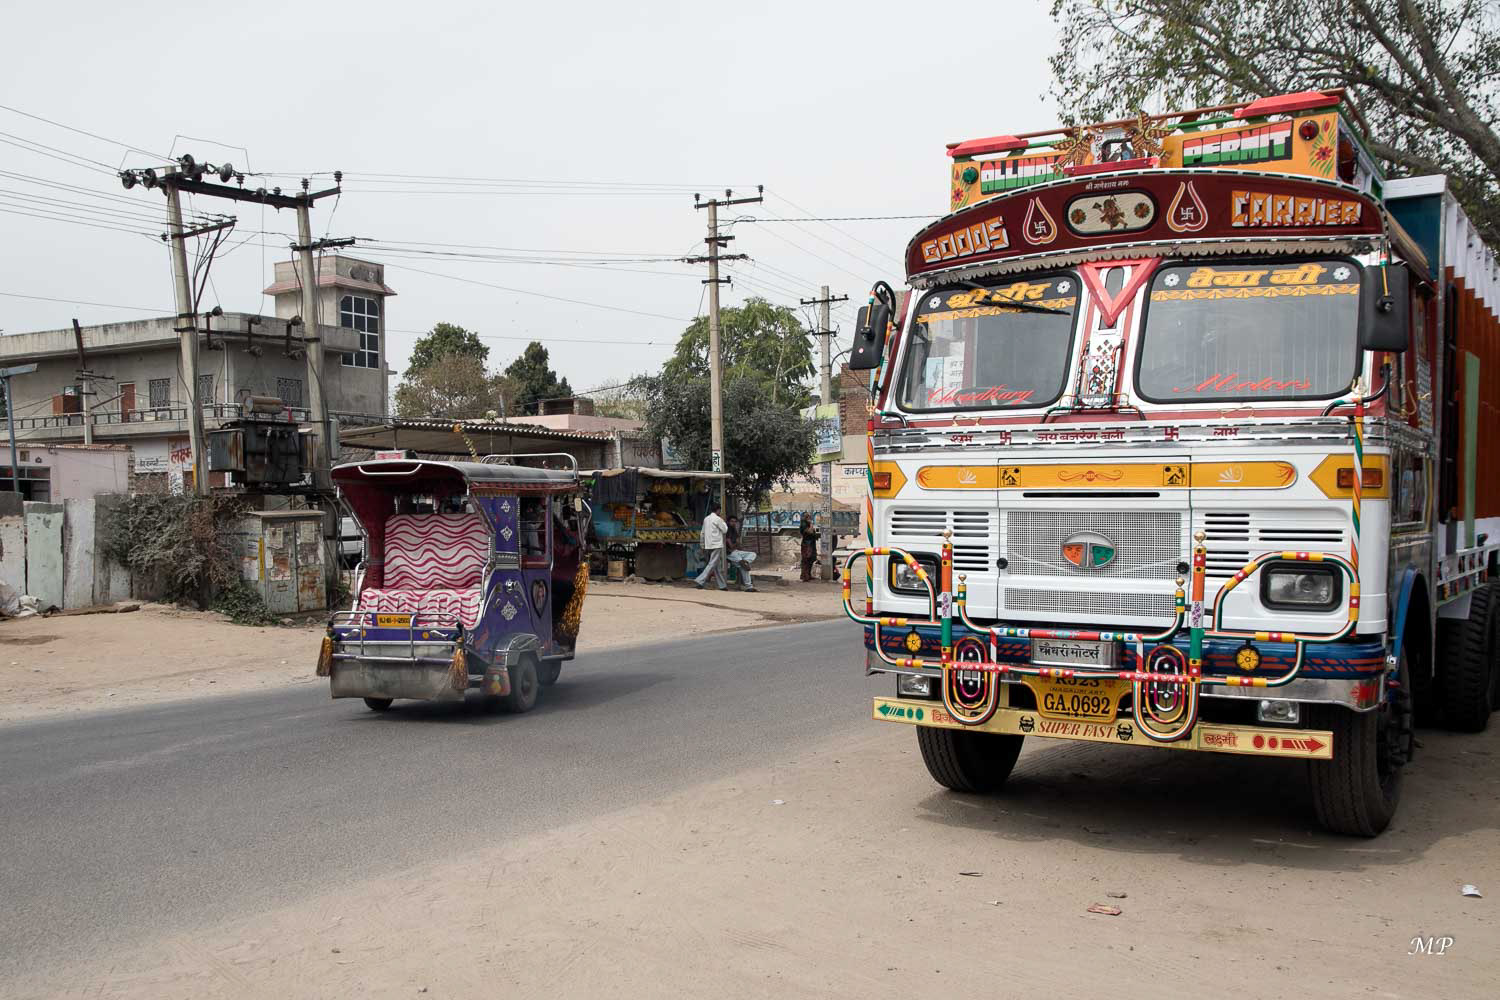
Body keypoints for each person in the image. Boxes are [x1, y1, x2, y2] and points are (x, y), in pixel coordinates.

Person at [695, 502, 729, 591]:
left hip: (708, 544)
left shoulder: (706, 519)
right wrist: (724, 521)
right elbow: (725, 530)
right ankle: (700, 580)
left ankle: (722, 586)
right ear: (718, 510)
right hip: (716, 544)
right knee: (712, 563)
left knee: (716, 565)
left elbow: (702, 533)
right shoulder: (718, 519)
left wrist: (702, 545)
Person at [724, 516, 756, 592]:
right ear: (728, 522)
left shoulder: (735, 530)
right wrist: (736, 544)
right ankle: (749, 586)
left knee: (753, 554)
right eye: (732, 521)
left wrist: (738, 547)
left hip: (736, 552)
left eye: (735, 521)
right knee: (743, 567)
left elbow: (738, 544)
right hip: (729, 553)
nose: (733, 523)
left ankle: (746, 562)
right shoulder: (727, 530)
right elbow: (731, 546)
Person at [799, 513, 821, 581]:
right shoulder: (803, 524)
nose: (810, 518)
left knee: (812, 559)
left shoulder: (807, 524)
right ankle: (805, 576)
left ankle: (808, 575)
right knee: (806, 560)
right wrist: (811, 524)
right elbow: (810, 532)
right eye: (808, 517)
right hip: (807, 544)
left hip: (811, 543)